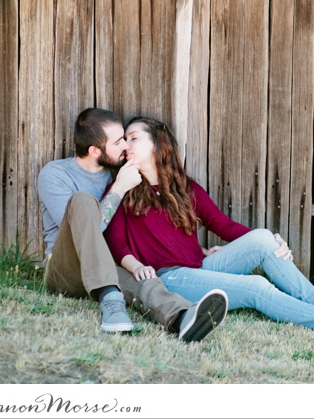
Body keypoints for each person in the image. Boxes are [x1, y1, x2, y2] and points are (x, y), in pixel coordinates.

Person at [104, 116, 314, 338]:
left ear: (157, 143)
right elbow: (116, 243)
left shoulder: (186, 188)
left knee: (264, 239)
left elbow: (222, 224)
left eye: (133, 137)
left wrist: (273, 240)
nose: (126, 145)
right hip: (170, 278)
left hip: (201, 266)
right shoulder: (123, 190)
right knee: (256, 286)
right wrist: (134, 267)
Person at [38, 107, 227, 342]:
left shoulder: (119, 172)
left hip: (107, 267)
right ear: (94, 150)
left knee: (144, 279)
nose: (126, 147)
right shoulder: (56, 174)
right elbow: (87, 234)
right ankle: (111, 299)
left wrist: (199, 250)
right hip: (66, 268)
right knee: (83, 201)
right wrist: (119, 188)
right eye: (118, 142)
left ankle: (183, 318)